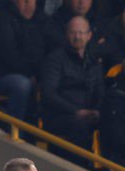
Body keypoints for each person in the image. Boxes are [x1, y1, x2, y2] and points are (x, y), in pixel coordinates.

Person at [41, 16, 105, 158]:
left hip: (88, 114)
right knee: (80, 126)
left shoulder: (94, 61)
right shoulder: (55, 59)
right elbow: (49, 94)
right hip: (61, 116)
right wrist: (75, 111)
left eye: (81, 33)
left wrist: (97, 111)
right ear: (66, 34)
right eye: (73, 32)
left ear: (89, 36)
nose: (77, 37)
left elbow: (100, 91)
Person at [0, 0, 51, 121]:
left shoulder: (45, 22)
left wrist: (41, 76)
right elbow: (8, 54)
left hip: (37, 76)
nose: (27, 3)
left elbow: (51, 53)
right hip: (4, 75)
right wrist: (30, 75)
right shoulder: (2, 18)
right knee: (22, 84)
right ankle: (15, 131)